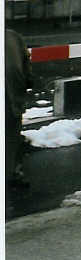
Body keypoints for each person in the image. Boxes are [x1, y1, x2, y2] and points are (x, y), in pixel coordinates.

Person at [6, 28, 33, 188]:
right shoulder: (14, 37)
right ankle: (12, 173)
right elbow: (26, 65)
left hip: (11, 95)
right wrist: (28, 81)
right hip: (12, 97)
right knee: (11, 136)